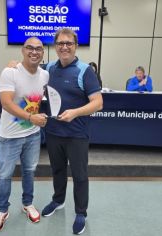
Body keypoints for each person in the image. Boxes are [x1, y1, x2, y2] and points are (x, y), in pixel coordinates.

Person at [41, 28, 103, 235]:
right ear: (55, 46)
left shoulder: (85, 71)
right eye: (60, 43)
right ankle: (58, 200)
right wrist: (14, 66)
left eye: (69, 43)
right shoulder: (48, 68)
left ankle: (80, 213)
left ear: (75, 46)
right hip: (53, 132)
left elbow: (98, 103)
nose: (64, 47)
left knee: (79, 175)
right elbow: (28, 70)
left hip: (77, 135)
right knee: (57, 170)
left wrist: (75, 112)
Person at [0, 37, 49, 233]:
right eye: (30, 48)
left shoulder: (45, 75)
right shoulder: (10, 72)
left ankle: (27, 203)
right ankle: (2, 210)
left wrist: (33, 122)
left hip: (33, 135)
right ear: (23, 50)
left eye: (39, 49)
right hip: (9, 136)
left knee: (29, 171)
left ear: (43, 52)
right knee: (4, 175)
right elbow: (6, 103)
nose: (34, 52)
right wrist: (31, 118)